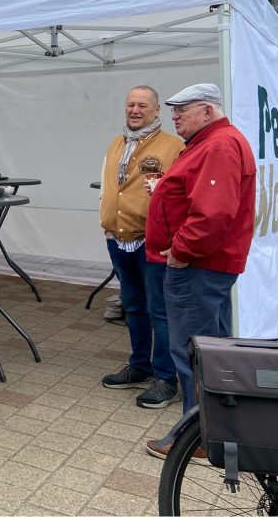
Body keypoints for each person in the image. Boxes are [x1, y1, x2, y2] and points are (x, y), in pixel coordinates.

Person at [144, 83, 256, 459]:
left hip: (198, 266)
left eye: (182, 110)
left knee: (193, 351)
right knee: (212, 349)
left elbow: (213, 214)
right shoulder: (214, 142)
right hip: (207, 265)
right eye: (173, 110)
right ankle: (217, 432)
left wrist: (180, 251)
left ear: (207, 111)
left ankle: (200, 439)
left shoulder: (218, 144)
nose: (174, 116)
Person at [99, 86, 184, 409]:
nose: (135, 110)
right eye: (130, 104)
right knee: (133, 305)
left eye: (142, 105)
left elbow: (180, 196)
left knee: (160, 310)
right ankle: (139, 365)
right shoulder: (116, 143)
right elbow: (109, 186)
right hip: (119, 238)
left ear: (157, 110)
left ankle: (165, 376)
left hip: (153, 240)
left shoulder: (173, 146)